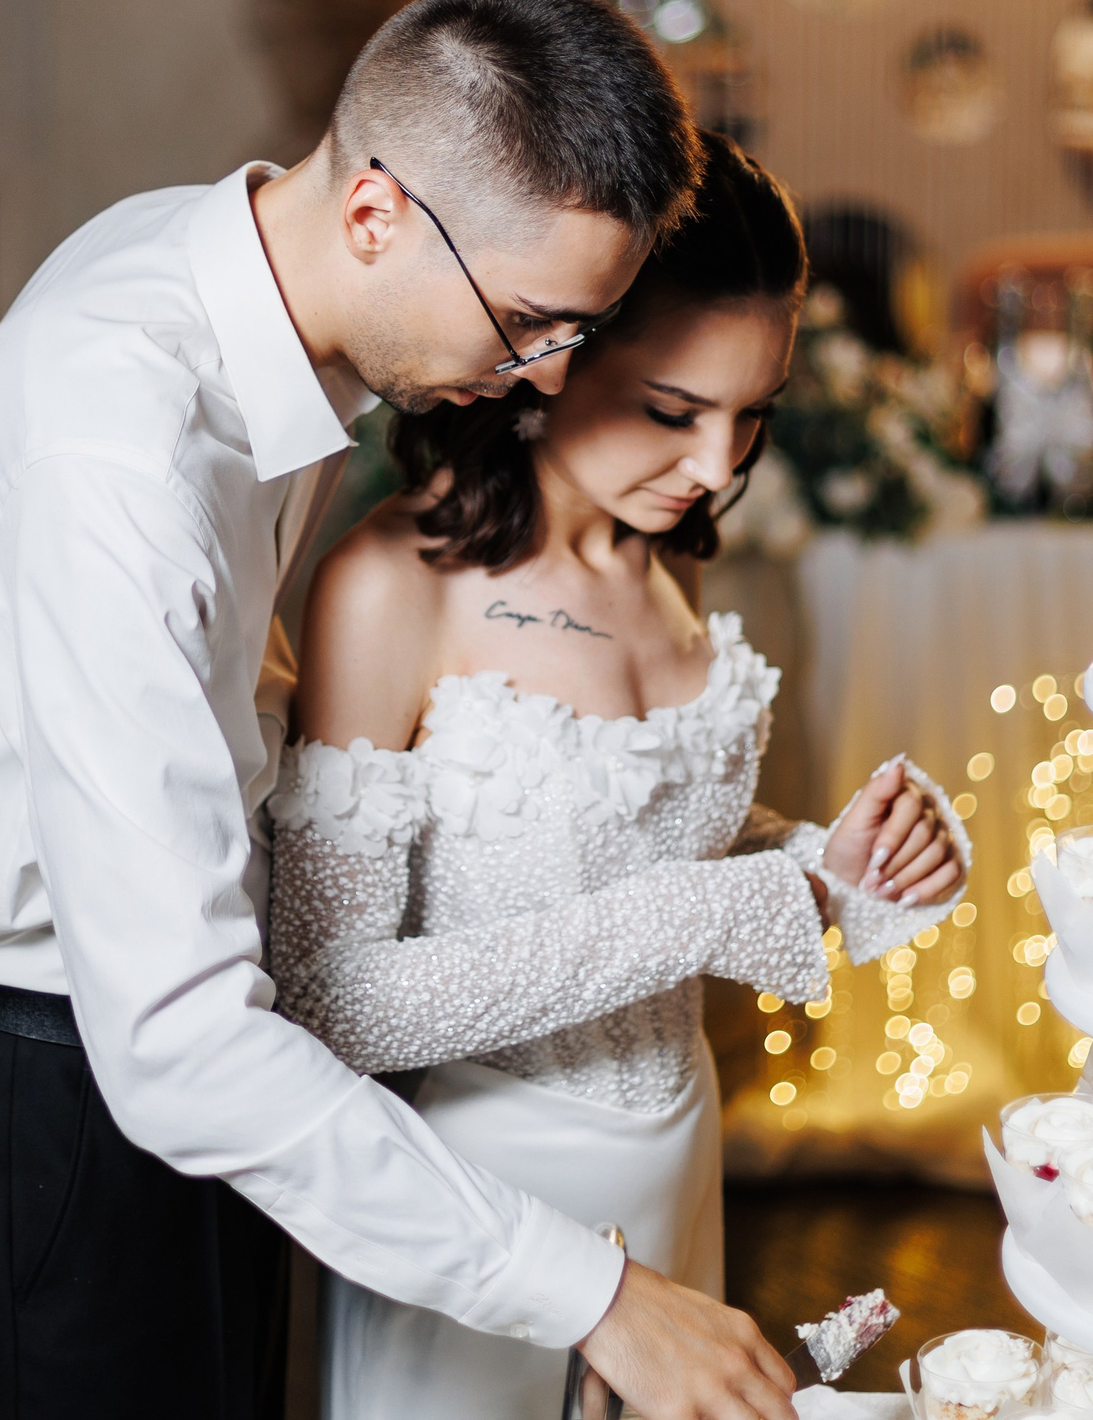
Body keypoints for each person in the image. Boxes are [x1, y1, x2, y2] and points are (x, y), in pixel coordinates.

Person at [0, 0, 810, 1419]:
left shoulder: (254, 286)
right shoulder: (121, 459)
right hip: (54, 1081)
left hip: (233, 1070)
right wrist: (599, 1295)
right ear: (375, 214)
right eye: (535, 323)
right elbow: (173, 1041)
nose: (544, 374)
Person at [270, 131, 969, 1418]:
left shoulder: (667, 551)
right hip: (483, 1199)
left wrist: (829, 854)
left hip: (676, 1151)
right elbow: (330, 1002)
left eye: (748, 414)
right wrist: (734, 905)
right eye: (671, 409)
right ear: (551, 352)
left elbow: (626, 821)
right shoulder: (389, 589)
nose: (714, 467)